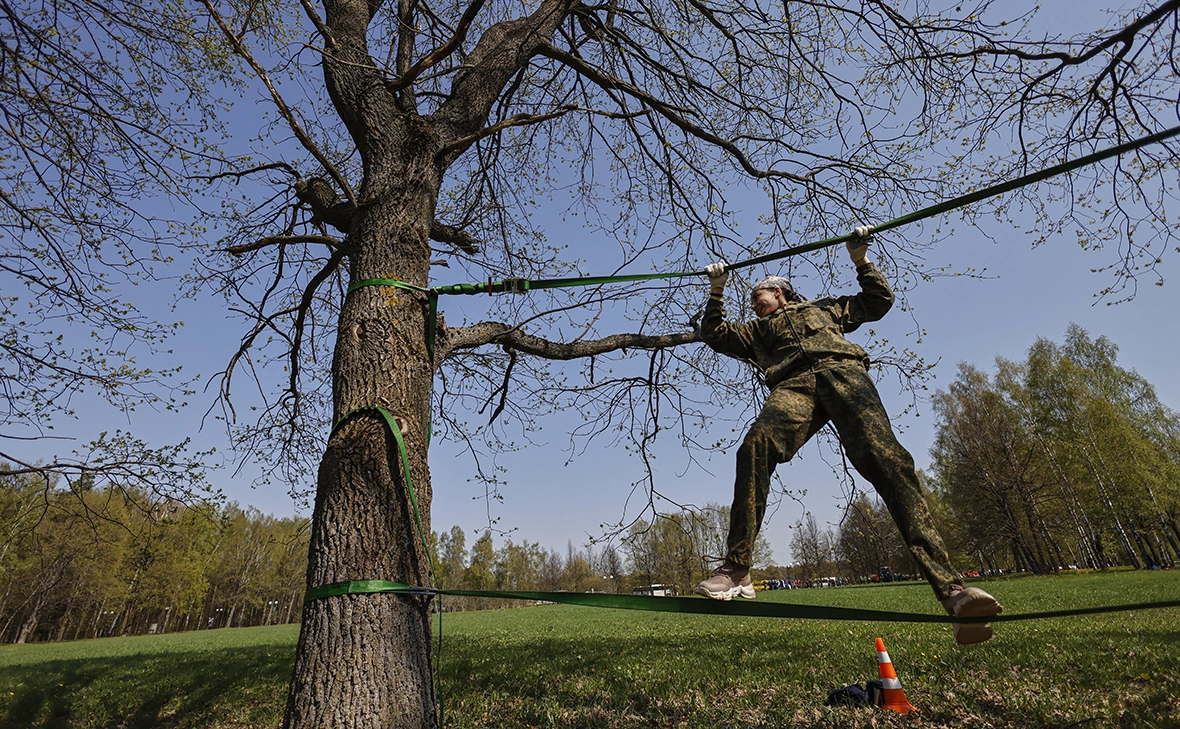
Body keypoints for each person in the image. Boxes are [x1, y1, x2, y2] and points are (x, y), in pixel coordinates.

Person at [694, 225, 1003, 644]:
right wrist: (717, 291)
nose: (753, 301)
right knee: (755, 445)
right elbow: (715, 334)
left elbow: (878, 301)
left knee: (889, 461)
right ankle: (737, 567)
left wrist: (862, 260)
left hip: (844, 375)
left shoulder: (826, 308)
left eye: (757, 294)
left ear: (780, 291)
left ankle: (954, 592)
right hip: (794, 386)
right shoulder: (757, 332)